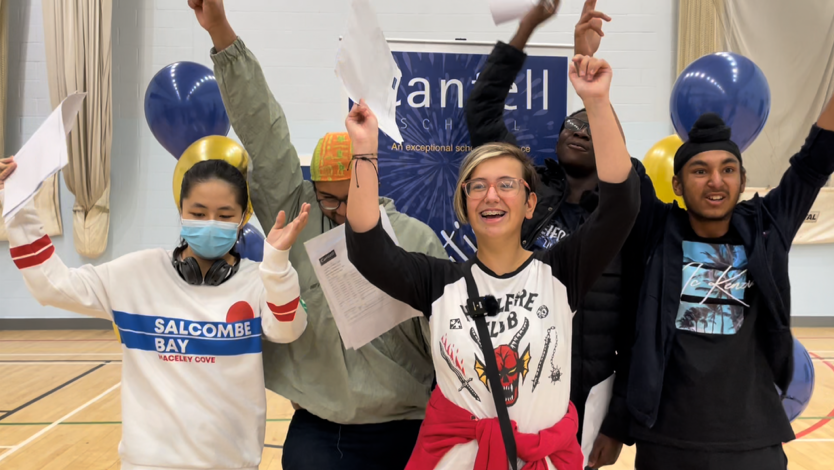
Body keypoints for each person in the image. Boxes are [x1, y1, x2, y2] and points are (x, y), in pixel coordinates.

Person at [345, 51, 639, 469]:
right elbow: (366, 247)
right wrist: (364, 149)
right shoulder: (439, 281)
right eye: (477, 186)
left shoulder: (561, 272)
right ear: (465, 206)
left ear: (530, 202)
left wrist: (596, 102)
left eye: (506, 184)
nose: (491, 195)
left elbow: (621, 206)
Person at [189, 1, 449, 468]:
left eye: (351, 195)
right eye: (330, 199)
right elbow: (264, 134)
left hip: (407, 423)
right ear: (312, 189)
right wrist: (222, 33)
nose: (342, 210)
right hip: (320, 427)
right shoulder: (300, 220)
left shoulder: (415, 238)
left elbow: (449, 341)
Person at [0, 157, 309, 470]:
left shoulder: (259, 281)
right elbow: (51, 285)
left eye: (225, 214)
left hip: (231, 463)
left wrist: (278, 266)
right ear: (181, 212)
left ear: (242, 218)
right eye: (198, 213)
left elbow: (288, 329)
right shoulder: (137, 273)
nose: (210, 223)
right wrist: (19, 206)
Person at [464, 1, 653, 466]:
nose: (581, 131)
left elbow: (639, 316)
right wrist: (526, 27)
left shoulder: (628, 204)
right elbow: (482, 110)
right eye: (573, 124)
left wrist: (617, 420)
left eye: (593, 129)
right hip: (515, 378)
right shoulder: (528, 189)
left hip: (590, 390)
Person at [626, 94, 834, 470]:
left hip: (754, 441)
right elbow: (617, 173)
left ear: (742, 180)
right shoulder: (656, 229)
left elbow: (814, 163)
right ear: (677, 183)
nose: (715, 181)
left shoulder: (767, 226)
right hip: (667, 441)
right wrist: (595, 94)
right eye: (700, 170)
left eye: (728, 169)